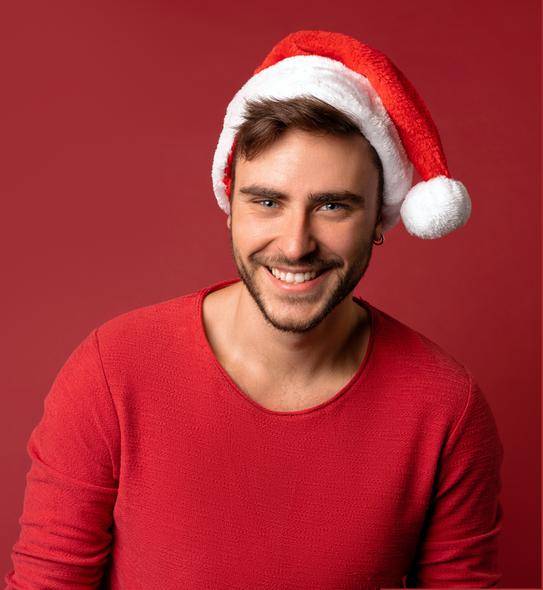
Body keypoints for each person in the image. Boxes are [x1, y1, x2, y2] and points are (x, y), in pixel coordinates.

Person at [7, 31, 500, 588]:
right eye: (267, 201)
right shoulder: (112, 373)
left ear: (379, 221)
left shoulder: (445, 408)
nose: (295, 244)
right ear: (229, 205)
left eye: (333, 205)